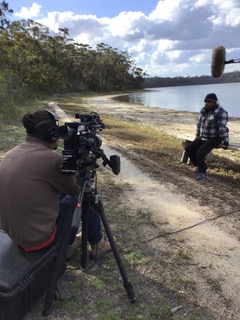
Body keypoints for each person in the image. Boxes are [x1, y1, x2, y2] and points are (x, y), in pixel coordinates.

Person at [0, 109, 111, 259]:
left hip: (14, 234)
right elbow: (76, 189)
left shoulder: (12, 153)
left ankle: (70, 243)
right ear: (53, 134)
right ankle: (97, 244)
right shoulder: (51, 160)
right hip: (37, 239)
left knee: (62, 192)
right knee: (83, 196)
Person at [185, 93, 229, 181]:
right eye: (205, 101)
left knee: (199, 153)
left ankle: (203, 173)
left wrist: (225, 142)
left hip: (215, 138)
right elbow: (199, 125)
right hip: (203, 136)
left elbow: (223, 128)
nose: (206, 103)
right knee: (189, 149)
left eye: (209, 101)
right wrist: (197, 137)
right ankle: (200, 166)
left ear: (215, 102)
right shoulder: (203, 111)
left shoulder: (221, 112)